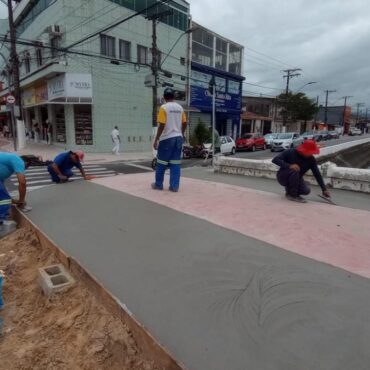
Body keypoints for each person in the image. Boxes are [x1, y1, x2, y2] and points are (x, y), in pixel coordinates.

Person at [152, 87, 187, 192]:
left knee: (161, 163)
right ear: (174, 97)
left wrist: (156, 139)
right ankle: (174, 186)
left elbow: (162, 124)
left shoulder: (164, 108)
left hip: (167, 139)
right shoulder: (180, 108)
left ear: (164, 97)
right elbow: (185, 123)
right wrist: (182, 133)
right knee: (175, 163)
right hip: (178, 138)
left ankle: (158, 185)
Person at [0, 153, 31, 237]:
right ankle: (1, 224)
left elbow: (2, 191)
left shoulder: (6, 164)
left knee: (4, 197)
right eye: (25, 168)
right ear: (26, 163)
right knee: (4, 200)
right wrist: (21, 200)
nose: (23, 169)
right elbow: (22, 183)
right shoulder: (19, 161)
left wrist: (13, 200)